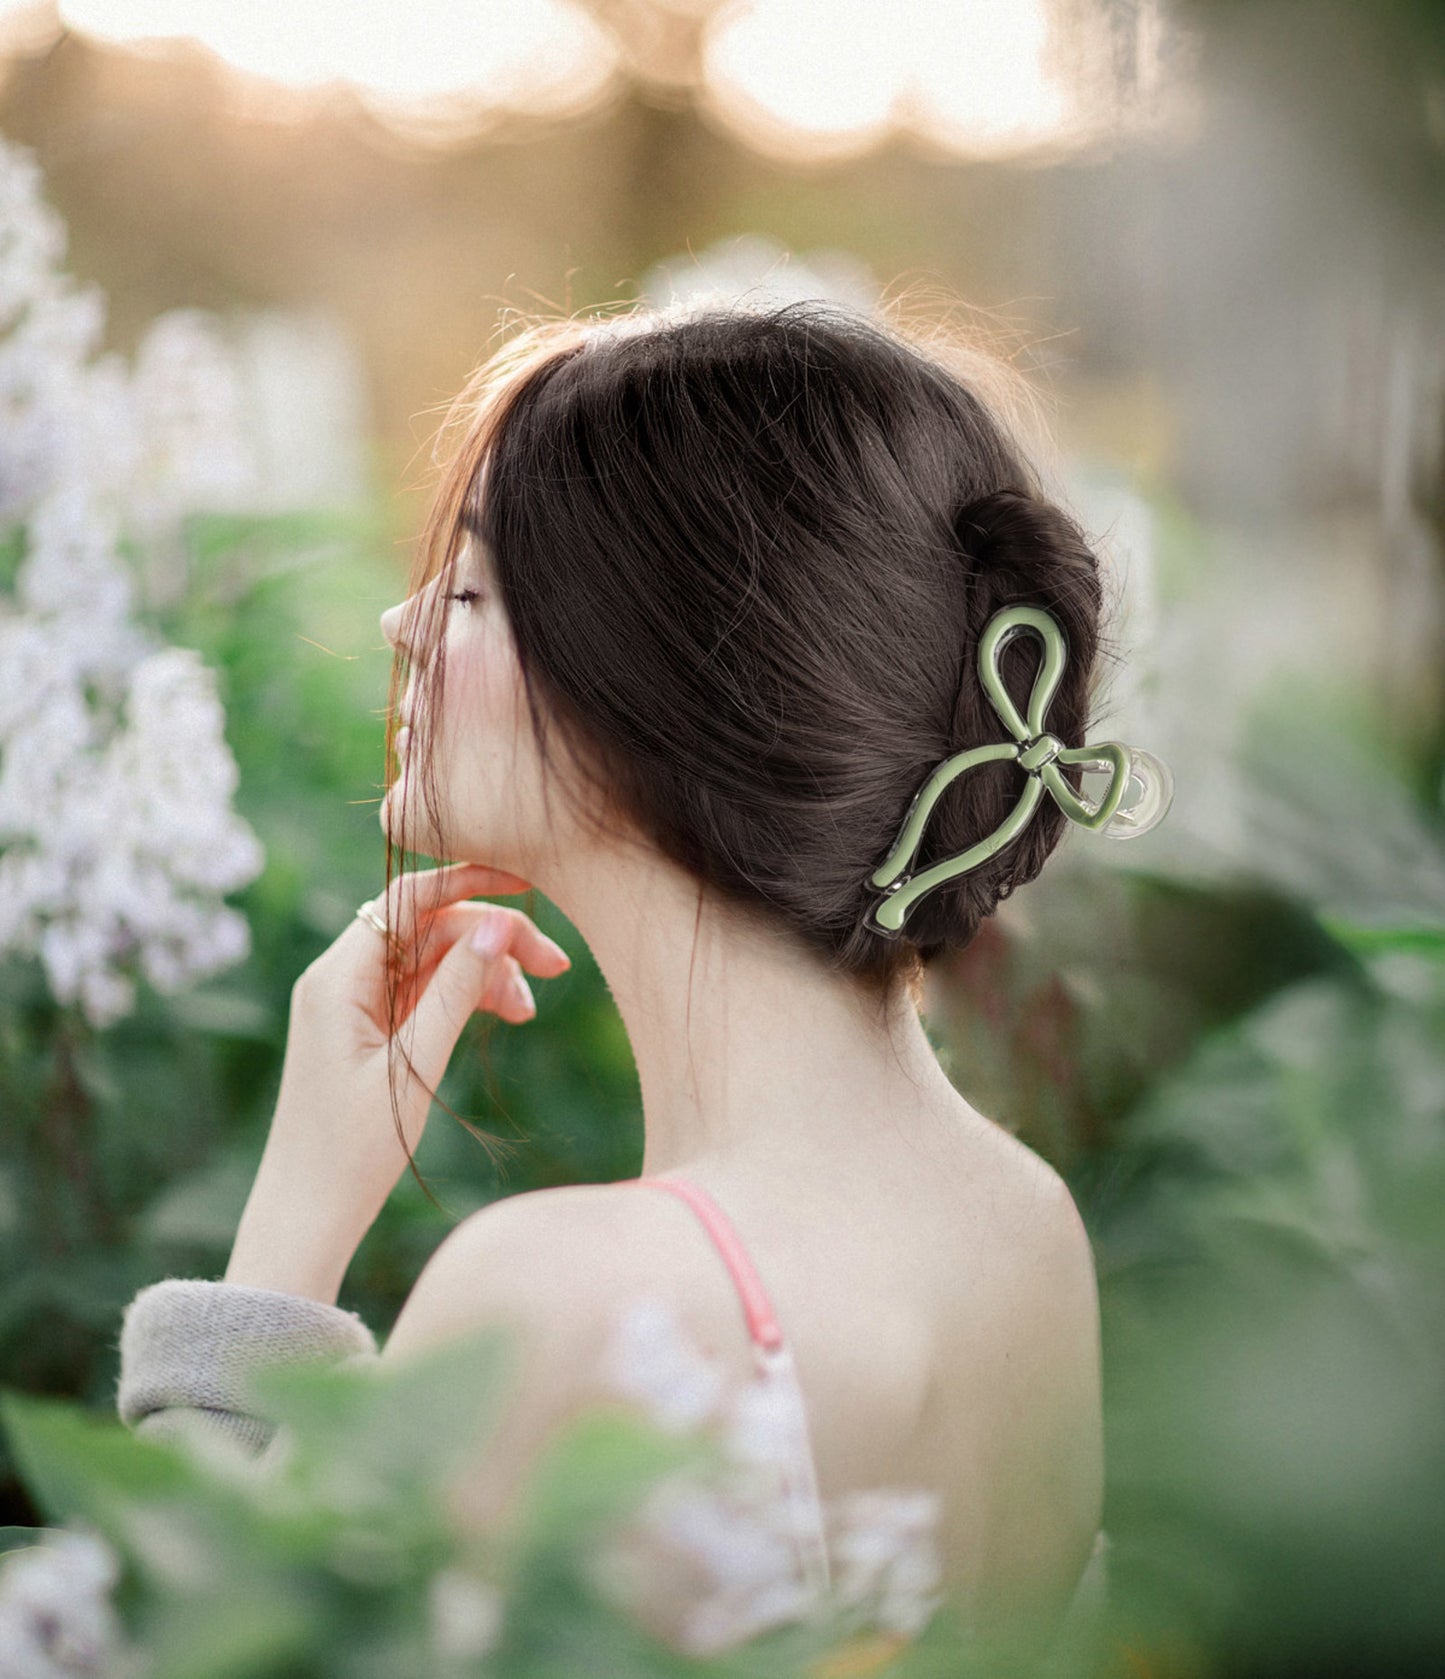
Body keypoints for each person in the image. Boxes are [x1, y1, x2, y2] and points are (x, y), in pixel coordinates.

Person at [118, 297, 1166, 1670]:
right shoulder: (1022, 1226)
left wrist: (286, 1242)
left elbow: (183, 1645)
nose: (402, 618)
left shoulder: (567, 1296)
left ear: (664, 686)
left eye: (479, 590)